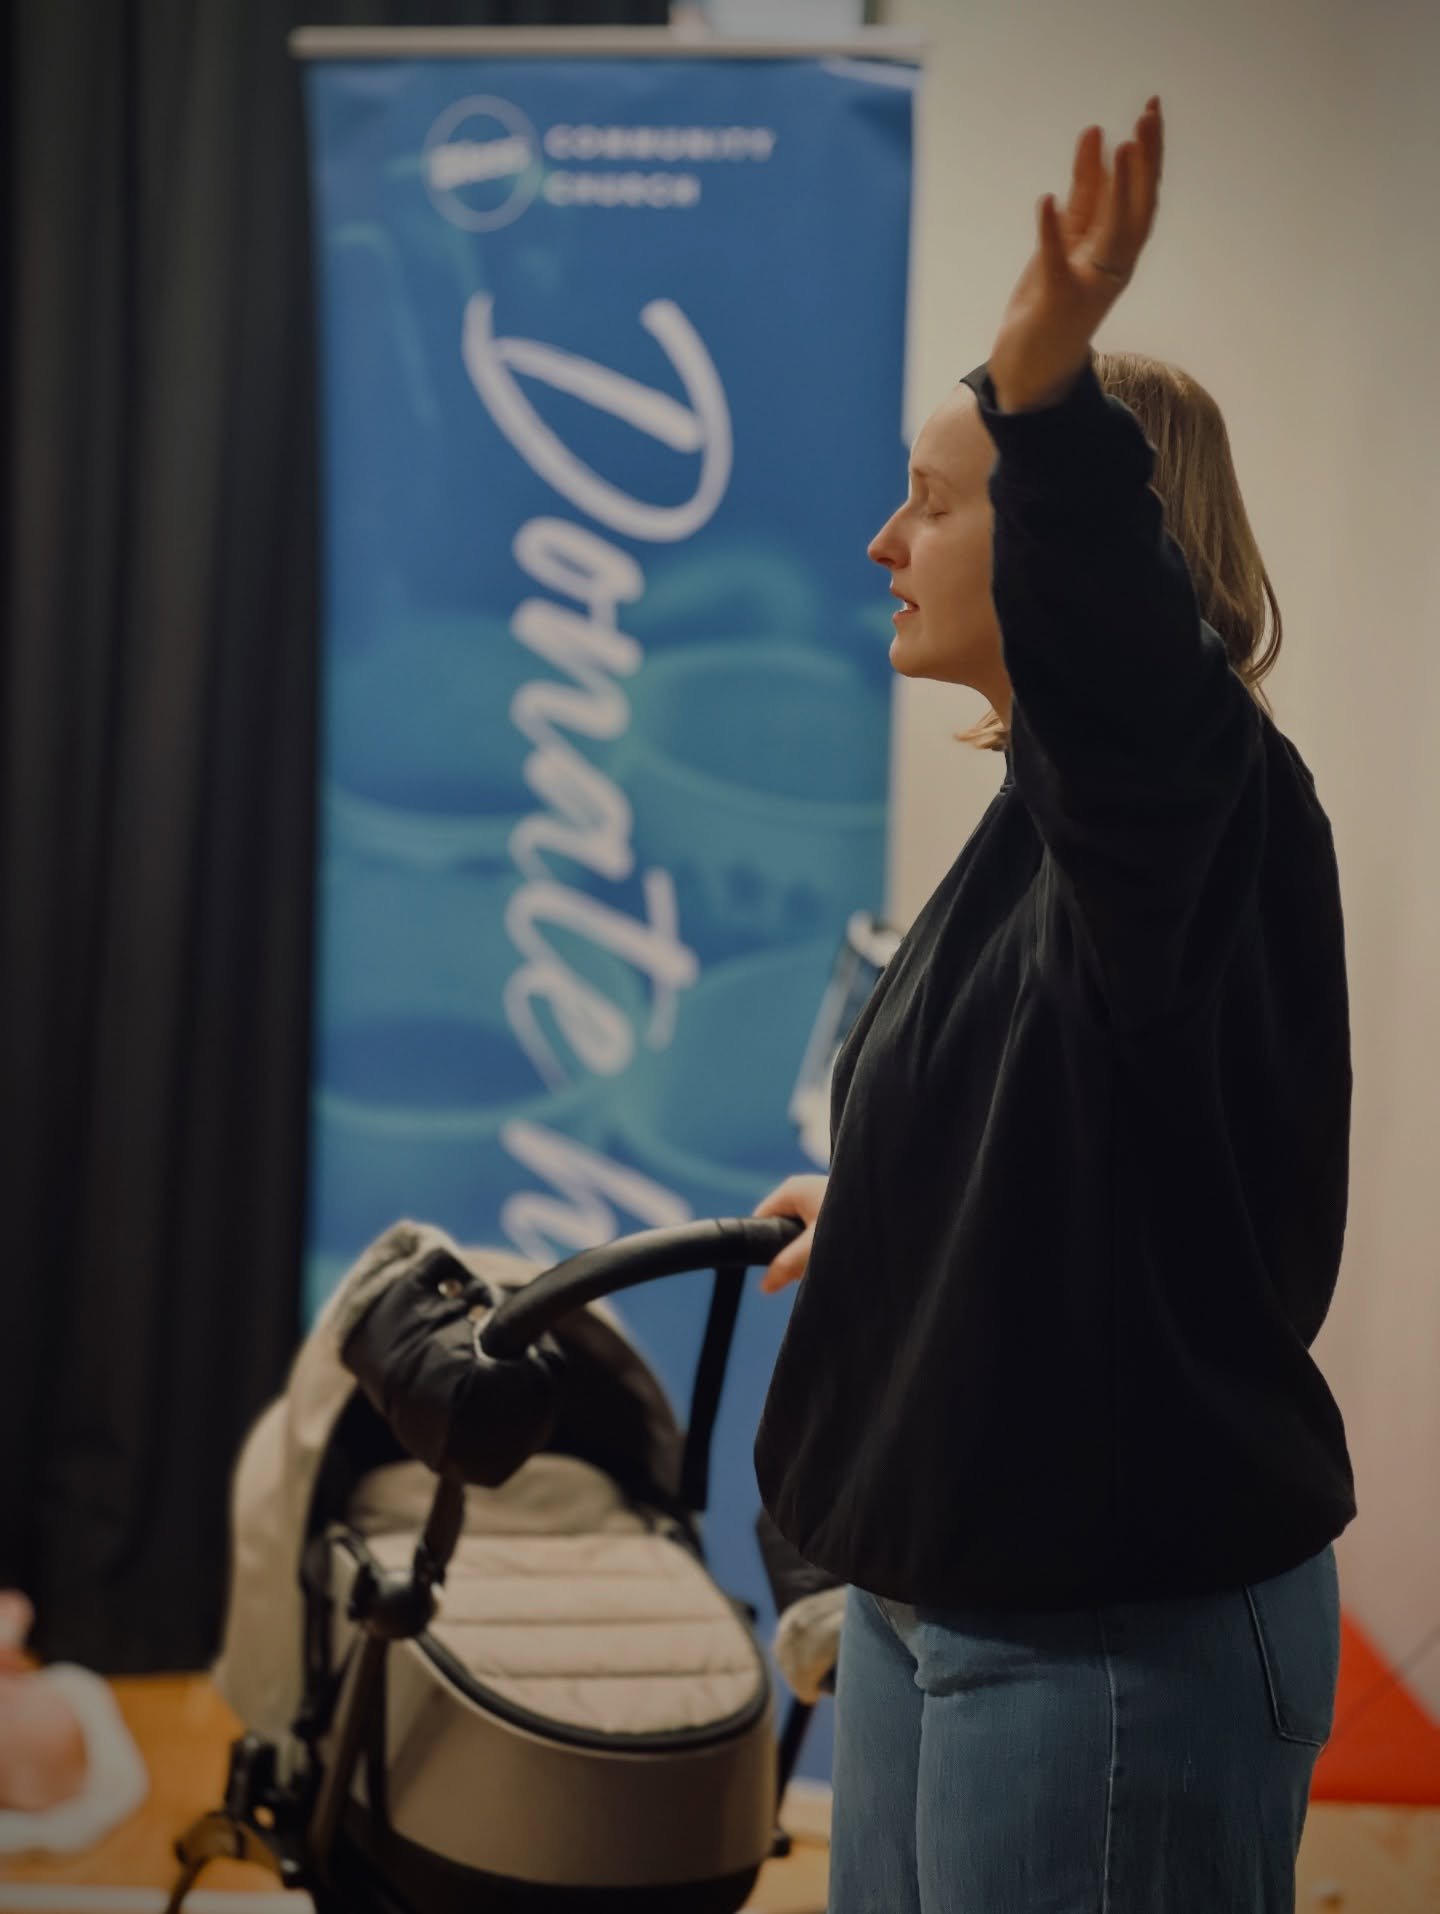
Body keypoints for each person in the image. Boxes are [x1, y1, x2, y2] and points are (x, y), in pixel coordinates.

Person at [752, 99, 1356, 1914]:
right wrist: (886, 1208)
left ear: (1077, 554)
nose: (884, 540)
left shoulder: (1192, 794)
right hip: (942, 1595)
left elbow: (1131, 666)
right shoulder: (1045, 836)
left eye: (933, 501)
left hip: (1109, 1633)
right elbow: (1087, 1142)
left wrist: (1040, 372)